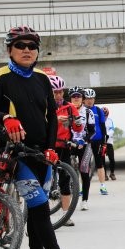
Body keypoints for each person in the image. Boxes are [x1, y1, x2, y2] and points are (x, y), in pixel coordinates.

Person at [0, 26, 80, 249]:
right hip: (15, 155)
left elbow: (52, 118)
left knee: (38, 209)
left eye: (32, 46)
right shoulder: (0, 76)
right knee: (39, 207)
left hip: (41, 155)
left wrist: (51, 148)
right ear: (9, 49)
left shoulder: (42, 78)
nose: (27, 50)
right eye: (20, 45)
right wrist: (6, 118)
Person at [50, 73, 79, 226]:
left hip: (63, 146)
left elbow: (77, 127)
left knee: (65, 179)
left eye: (60, 92)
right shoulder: (45, 106)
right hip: (48, 146)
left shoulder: (69, 107)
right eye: (55, 92)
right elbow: (40, 122)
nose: (58, 95)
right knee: (44, 179)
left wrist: (78, 124)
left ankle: (66, 214)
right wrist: (55, 119)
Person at [83, 88, 109, 196]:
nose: (90, 100)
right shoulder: (81, 110)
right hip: (85, 141)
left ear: (94, 99)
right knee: (84, 166)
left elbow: (103, 127)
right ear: (84, 99)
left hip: (98, 140)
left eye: (92, 98)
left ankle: (103, 186)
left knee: (99, 163)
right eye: (87, 98)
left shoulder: (98, 110)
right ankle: (83, 188)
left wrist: (104, 142)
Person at [102, 106, 117, 180]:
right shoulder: (97, 121)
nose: (105, 117)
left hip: (109, 142)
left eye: (106, 115)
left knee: (112, 159)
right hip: (101, 142)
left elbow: (112, 129)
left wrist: (107, 135)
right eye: (103, 115)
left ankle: (112, 173)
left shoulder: (110, 121)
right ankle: (104, 174)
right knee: (102, 160)